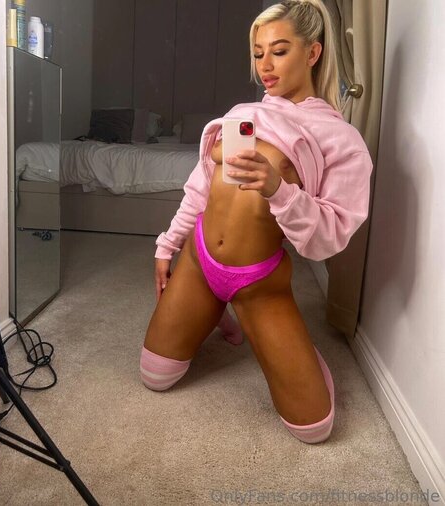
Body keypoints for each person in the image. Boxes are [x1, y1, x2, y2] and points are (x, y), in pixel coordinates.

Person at [139, 0, 372, 444]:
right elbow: (200, 190)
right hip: (199, 261)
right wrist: (167, 245)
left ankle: (287, 342)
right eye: (258, 53)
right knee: (155, 376)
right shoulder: (241, 114)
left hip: (257, 280)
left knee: (314, 428)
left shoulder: (340, 139)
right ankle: (214, 312)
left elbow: (328, 239)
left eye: (279, 51)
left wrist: (279, 189)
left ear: (313, 52)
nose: (265, 65)